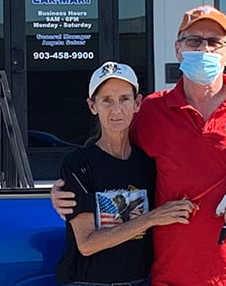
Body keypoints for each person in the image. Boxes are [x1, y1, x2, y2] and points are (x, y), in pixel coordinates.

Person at [52, 5, 226, 285]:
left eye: (215, 42)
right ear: (178, 50)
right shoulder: (152, 111)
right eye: (194, 40)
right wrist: (67, 190)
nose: (204, 49)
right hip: (172, 276)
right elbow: (109, 158)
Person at [55, 61, 196, 286]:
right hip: (88, 281)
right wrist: (152, 218)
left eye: (124, 99)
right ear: (93, 106)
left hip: (142, 279)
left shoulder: (148, 162)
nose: (116, 109)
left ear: (137, 103)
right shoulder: (79, 164)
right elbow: (87, 243)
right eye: (107, 101)